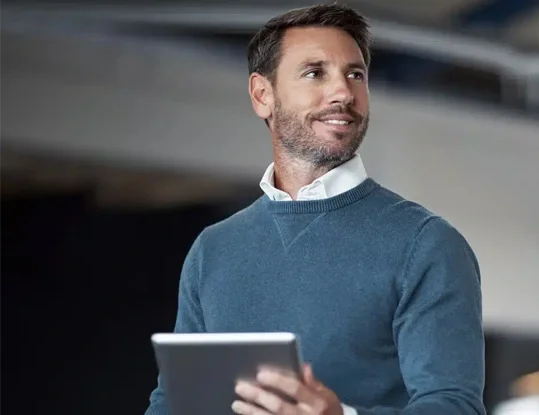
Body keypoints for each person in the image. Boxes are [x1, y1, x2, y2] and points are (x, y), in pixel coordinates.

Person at [144, 3, 486, 415]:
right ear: (262, 95)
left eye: (355, 74)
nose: (343, 91)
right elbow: (172, 403)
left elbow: (454, 407)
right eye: (314, 73)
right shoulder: (212, 251)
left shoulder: (427, 245)